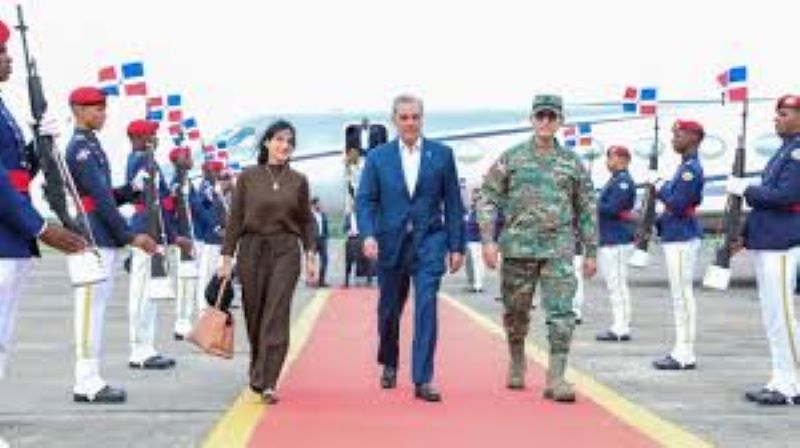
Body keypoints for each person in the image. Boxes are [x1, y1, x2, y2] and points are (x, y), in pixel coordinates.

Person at [478, 94, 597, 403]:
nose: (545, 122)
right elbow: (488, 197)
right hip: (518, 249)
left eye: (551, 117)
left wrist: (591, 251)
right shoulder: (512, 158)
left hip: (558, 249)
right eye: (540, 116)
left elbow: (587, 207)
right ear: (532, 119)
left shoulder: (572, 163)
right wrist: (488, 240)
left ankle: (556, 377)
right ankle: (517, 359)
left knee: (562, 313)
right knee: (516, 312)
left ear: (560, 122)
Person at [357, 94, 465, 403]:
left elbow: (453, 203)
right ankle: (389, 361)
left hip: (429, 240)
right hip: (390, 243)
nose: (410, 123)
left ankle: (423, 378)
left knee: (427, 305)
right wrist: (368, 234)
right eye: (404, 117)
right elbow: (366, 200)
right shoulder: (378, 157)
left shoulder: (442, 155)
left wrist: (456, 245)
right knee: (389, 310)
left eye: (415, 117)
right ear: (394, 120)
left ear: (422, 119)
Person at [0, 20, 86, 383]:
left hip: (11, 237)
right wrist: (40, 228)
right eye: (1, 52)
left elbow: (18, 173)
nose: (8, 59)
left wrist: (40, 143)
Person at [65, 86, 157, 403]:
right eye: (97, 108)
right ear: (78, 110)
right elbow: (100, 200)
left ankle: (92, 376)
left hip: (102, 234)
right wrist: (130, 235)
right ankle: (85, 381)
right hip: (93, 235)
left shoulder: (92, 145)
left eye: (104, 107)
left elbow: (106, 194)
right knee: (89, 311)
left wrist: (129, 191)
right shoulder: (80, 149)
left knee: (97, 309)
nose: (103, 114)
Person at [218, 119, 318, 404]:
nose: (285, 146)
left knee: (276, 313)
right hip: (251, 249)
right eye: (279, 140)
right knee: (255, 314)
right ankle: (258, 369)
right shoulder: (248, 177)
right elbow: (235, 219)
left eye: (290, 142)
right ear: (267, 143)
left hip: (285, 250)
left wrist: (310, 254)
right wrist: (227, 258)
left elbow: (306, 221)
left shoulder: (298, 180)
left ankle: (269, 380)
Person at [726, 95, 800, 405]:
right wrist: (744, 235)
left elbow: (785, 196)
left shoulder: (797, 152)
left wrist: (746, 189)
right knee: (773, 317)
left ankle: (793, 385)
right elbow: (764, 205)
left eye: (784, 114)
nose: (777, 119)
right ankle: (781, 377)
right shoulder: (784, 151)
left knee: (783, 315)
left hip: (782, 242)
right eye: (777, 114)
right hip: (767, 239)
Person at [125, 119, 184, 369]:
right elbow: (148, 198)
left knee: (151, 292)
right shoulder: (139, 160)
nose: (156, 140)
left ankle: (147, 346)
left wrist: (169, 234)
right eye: (151, 135)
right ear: (139, 138)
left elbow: (161, 202)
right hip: (146, 229)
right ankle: (138, 350)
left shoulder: (148, 160)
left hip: (155, 229)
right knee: (141, 293)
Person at [647, 120, 705, 370]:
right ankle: (681, 349)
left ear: (694, 137)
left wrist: (659, 185)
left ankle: (685, 353)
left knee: (682, 296)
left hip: (682, 237)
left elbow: (678, 204)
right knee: (679, 295)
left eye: (679, 134)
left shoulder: (690, 169)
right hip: (676, 235)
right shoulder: (684, 167)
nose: (674, 138)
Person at [595, 145, 636, 342]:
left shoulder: (623, 182)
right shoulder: (615, 179)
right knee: (614, 285)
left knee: (617, 285)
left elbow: (612, 208)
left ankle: (621, 328)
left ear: (622, 159)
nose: (607, 162)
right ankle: (620, 324)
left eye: (611, 157)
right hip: (610, 238)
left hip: (617, 239)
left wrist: (592, 203)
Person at [464, 189, 485, 292]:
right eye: (473, 194)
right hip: (469, 239)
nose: (474, 196)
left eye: (476, 194)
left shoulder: (481, 209)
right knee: (469, 263)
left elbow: (483, 225)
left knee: (477, 263)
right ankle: (472, 283)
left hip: (477, 240)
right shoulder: (471, 209)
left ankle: (478, 284)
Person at [311, 197, 329, 287]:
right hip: (312, 240)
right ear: (313, 205)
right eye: (318, 204)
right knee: (312, 261)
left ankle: (321, 281)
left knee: (325, 260)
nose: (320, 205)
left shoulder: (323, 214)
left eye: (320, 204)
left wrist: (326, 237)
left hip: (322, 239)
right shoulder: (309, 216)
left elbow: (325, 226)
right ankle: (312, 281)